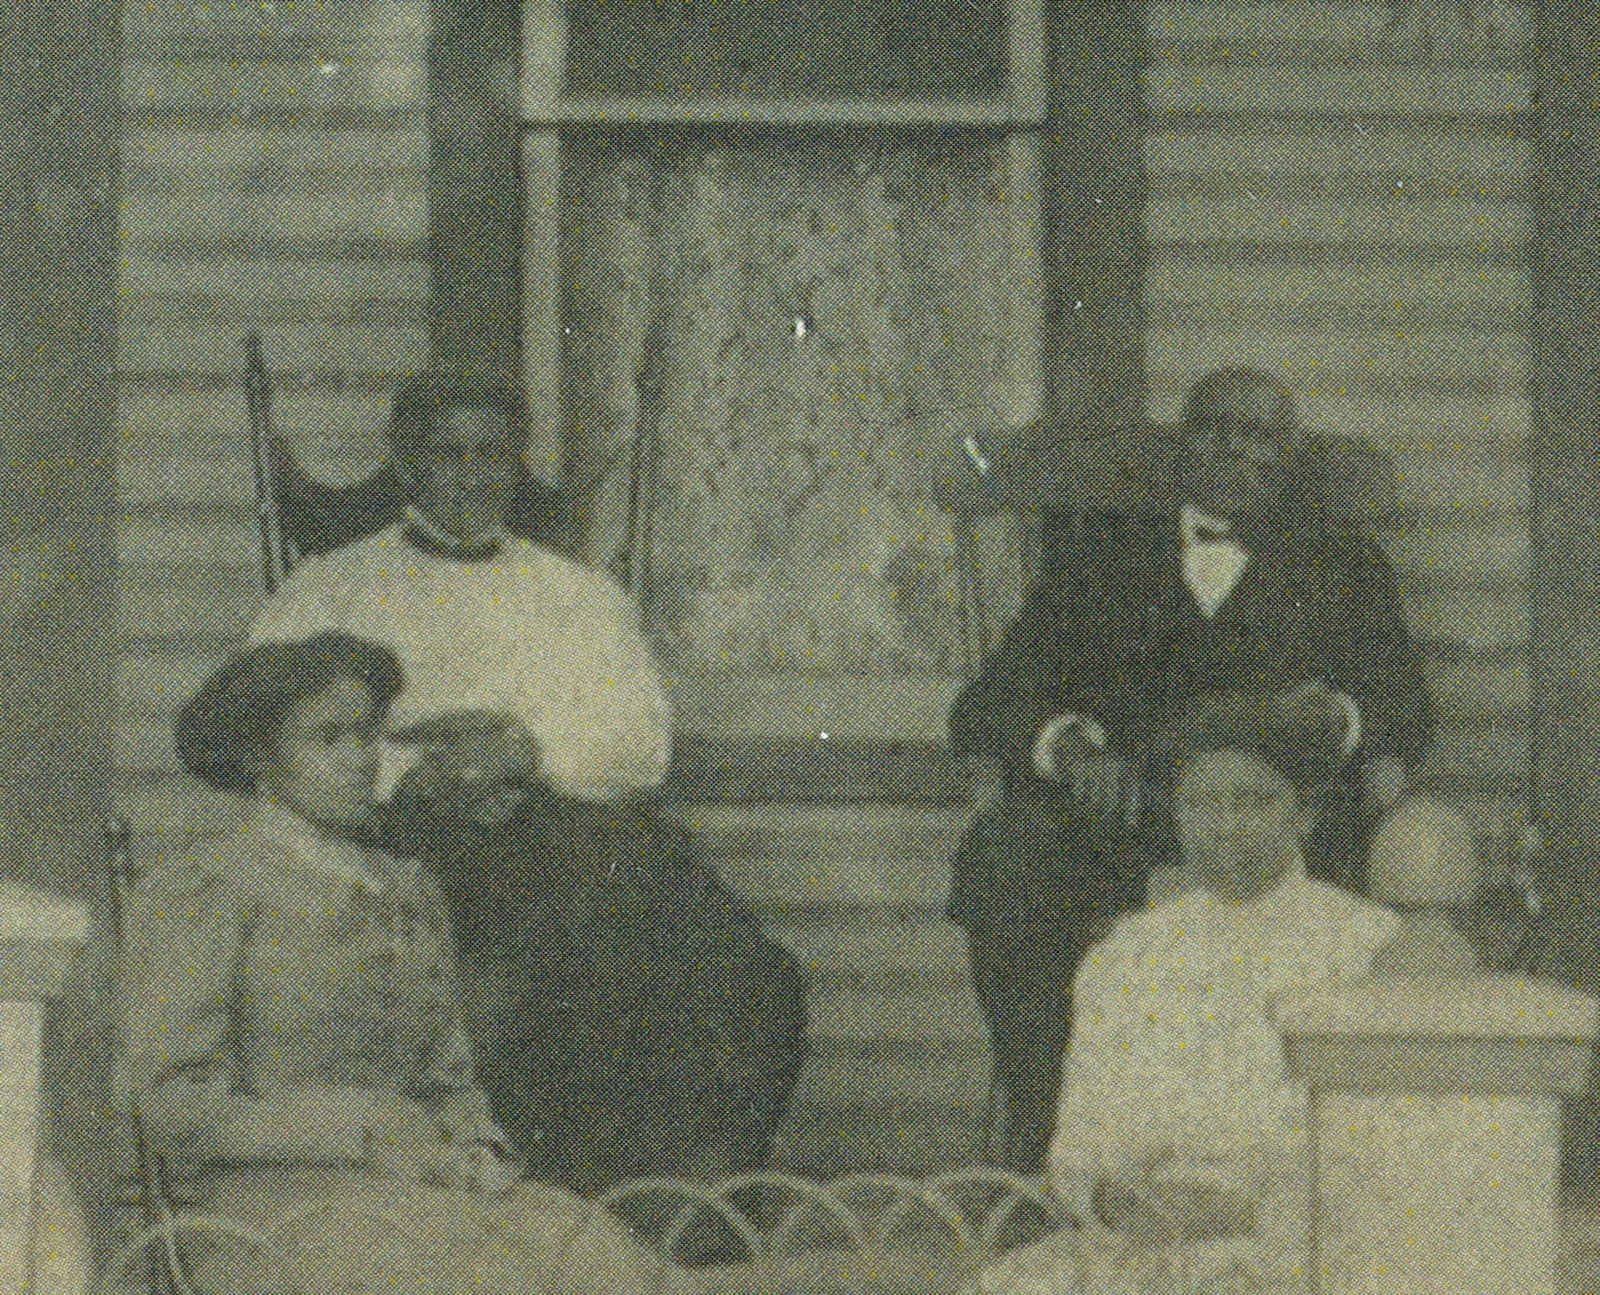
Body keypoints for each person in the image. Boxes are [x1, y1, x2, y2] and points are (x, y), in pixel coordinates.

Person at [247, 374, 808, 1192]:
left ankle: (671, 1199)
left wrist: (522, 754)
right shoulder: (330, 590)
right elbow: (267, 733)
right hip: (408, 840)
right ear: (405, 465)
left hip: (572, 832)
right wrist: (414, 772)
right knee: (530, 974)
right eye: (448, 454)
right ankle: (546, 1200)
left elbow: (640, 743)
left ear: (518, 466)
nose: (472, 477)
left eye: (494, 455)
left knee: (745, 971)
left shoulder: (579, 595)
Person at [947, 367, 1434, 1169]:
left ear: (1291, 455)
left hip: (1281, 830)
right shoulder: (1101, 558)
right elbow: (989, 703)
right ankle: (1051, 1138)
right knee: (1004, 855)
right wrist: (1071, 746)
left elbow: (1403, 709)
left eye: (1262, 436)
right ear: (1183, 449)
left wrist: (1335, 723)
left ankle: (1297, 1158)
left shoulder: (1344, 564)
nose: (1239, 451)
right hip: (1124, 820)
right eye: (1216, 430)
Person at [117, 633, 689, 1293]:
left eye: (368, 736)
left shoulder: (408, 884)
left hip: (422, 1188)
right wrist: (355, 1126)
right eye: (328, 739)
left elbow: (447, 1076)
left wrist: (475, 1144)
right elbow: (172, 1102)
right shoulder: (207, 886)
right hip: (273, 1210)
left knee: (593, 1259)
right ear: (258, 757)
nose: (360, 760)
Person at [969, 694, 1405, 1295]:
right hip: (1145, 1238)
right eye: (1200, 803)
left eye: (1255, 801)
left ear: (1305, 814)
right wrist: (1111, 1197)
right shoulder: (1129, 952)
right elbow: (1078, 1144)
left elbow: (1377, 1149)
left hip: (1302, 1241)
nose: (1224, 824)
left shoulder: (1368, 947)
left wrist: (1244, 1207)